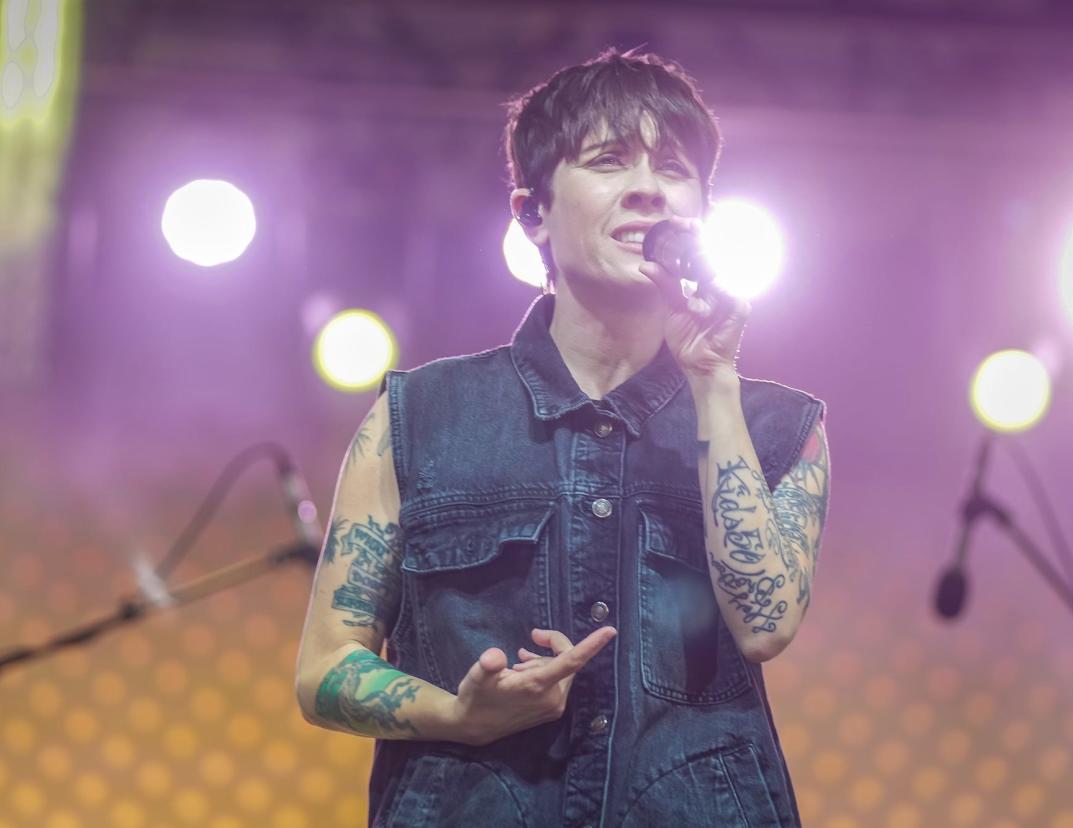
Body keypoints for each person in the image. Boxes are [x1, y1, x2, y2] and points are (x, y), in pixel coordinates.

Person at [295, 48, 830, 827]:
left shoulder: (782, 427)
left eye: (675, 169)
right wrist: (457, 713)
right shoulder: (422, 415)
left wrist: (714, 380)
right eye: (609, 161)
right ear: (532, 213)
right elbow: (325, 669)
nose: (649, 187)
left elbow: (766, 626)